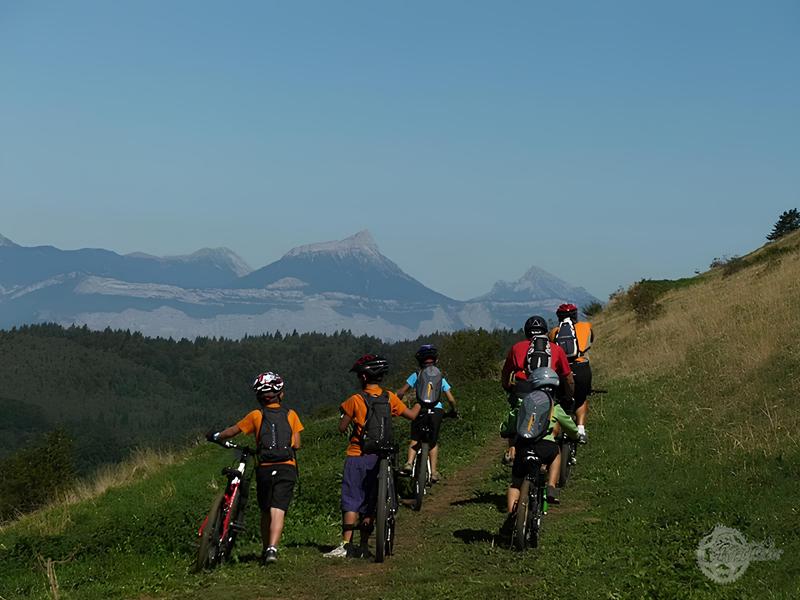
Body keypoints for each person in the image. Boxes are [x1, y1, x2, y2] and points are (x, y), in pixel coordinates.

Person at [325, 354, 420, 559]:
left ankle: (346, 544)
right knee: (371, 500)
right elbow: (412, 415)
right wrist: (423, 401)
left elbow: (341, 428)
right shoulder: (389, 397)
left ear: (365, 378)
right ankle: (364, 545)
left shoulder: (355, 400)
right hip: (381, 456)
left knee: (351, 499)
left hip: (357, 455)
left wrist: (347, 418)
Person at [206, 371, 303, 565]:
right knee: (278, 509)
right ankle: (272, 549)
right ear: (280, 395)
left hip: (265, 467)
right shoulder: (291, 415)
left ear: (259, 397)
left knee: (266, 509)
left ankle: (264, 548)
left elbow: (233, 431)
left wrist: (216, 436)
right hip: (286, 467)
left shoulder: (256, 415)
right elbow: (297, 444)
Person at [504, 367, 579, 531]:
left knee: (515, 484)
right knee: (556, 454)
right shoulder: (555, 407)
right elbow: (571, 428)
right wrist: (576, 436)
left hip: (524, 446)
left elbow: (511, 422)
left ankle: (511, 517)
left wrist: (505, 430)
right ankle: (551, 486)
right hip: (546, 446)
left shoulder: (524, 404)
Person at [500, 315, 574, 463]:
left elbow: (506, 372)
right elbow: (567, 377)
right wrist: (569, 394)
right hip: (546, 390)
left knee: (516, 417)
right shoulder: (556, 349)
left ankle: (513, 450)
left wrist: (507, 387)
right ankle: (548, 451)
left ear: (527, 332)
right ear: (545, 332)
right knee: (552, 416)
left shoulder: (516, 347)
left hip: (522, 389)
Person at [396, 344, 458, 483]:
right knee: (433, 442)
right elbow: (451, 399)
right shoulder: (440, 377)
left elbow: (401, 391)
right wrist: (453, 410)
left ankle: (409, 463)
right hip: (437, 410)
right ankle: (434, 472)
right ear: (435, 360)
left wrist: (396, 402)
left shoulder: (416, 375)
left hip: (420, 408)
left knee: (415, 437)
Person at [549, 303, 594, 443]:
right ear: (575, 315)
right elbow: (591, 340)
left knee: (559, 402)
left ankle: (554, 434)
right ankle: (580, 429)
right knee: (581, 398)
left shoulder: (554, 332)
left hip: (562, 370)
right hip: (581, 368)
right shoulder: (586, 327)